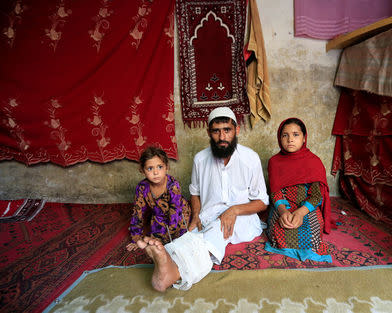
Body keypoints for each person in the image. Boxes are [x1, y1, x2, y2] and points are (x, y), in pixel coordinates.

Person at [137, 107, 269, 292]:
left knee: (215, 233)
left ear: (237, 130)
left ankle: (172, 274)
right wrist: (196, 215)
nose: (222, 136)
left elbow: (262, 202)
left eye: (227, 130)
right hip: (209, 215)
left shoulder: (250, 159)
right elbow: (195, 192)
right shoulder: (200, 159)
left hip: (243, 218)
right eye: (216, 131)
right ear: (209, 132)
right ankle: (165, 258)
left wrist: (233, 210)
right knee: (192, 235)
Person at [264, 117, 332, 263]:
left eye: (296, 135)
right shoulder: (275, 162)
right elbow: (275, 192)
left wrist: (301, 213)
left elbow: (316, 196)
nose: (290, 139)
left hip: (307, 207)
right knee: (279, 231)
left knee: (311, 235)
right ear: (279, 138)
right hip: (282, 206)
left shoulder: (314, 162)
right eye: (285, 135)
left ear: (303, 138)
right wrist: (283, 212)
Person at [126, 146, 191, 252]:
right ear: (142, 170)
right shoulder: (142, 187)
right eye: (150, 168)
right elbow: (137, 213)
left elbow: (175, 213)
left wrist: (166, 237)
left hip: (179, 214)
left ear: (167, 167)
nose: (156, 172)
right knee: (154, 239)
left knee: (178, 241)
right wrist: (136, 238)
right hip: (159, 215)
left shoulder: (172, 185)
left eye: (160, 167)